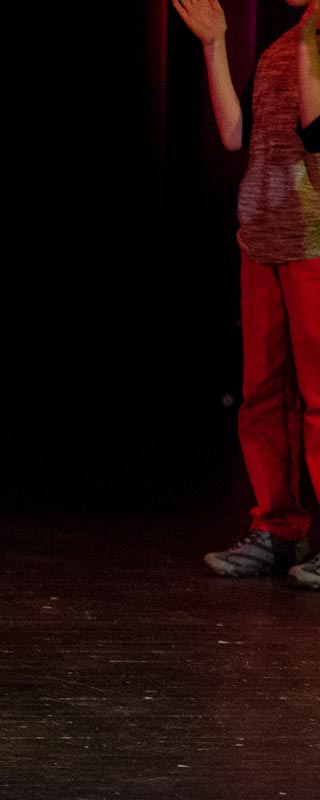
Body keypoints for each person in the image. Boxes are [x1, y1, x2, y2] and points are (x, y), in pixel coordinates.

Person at [174, 0, 320, 588]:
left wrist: (312, 37)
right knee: (262, 396)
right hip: (261, 237)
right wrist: (215, 45)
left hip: (314, 240)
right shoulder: (282, 46)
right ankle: (276, 528)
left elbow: (317, 132)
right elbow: (236, 136)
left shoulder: (308, 42)